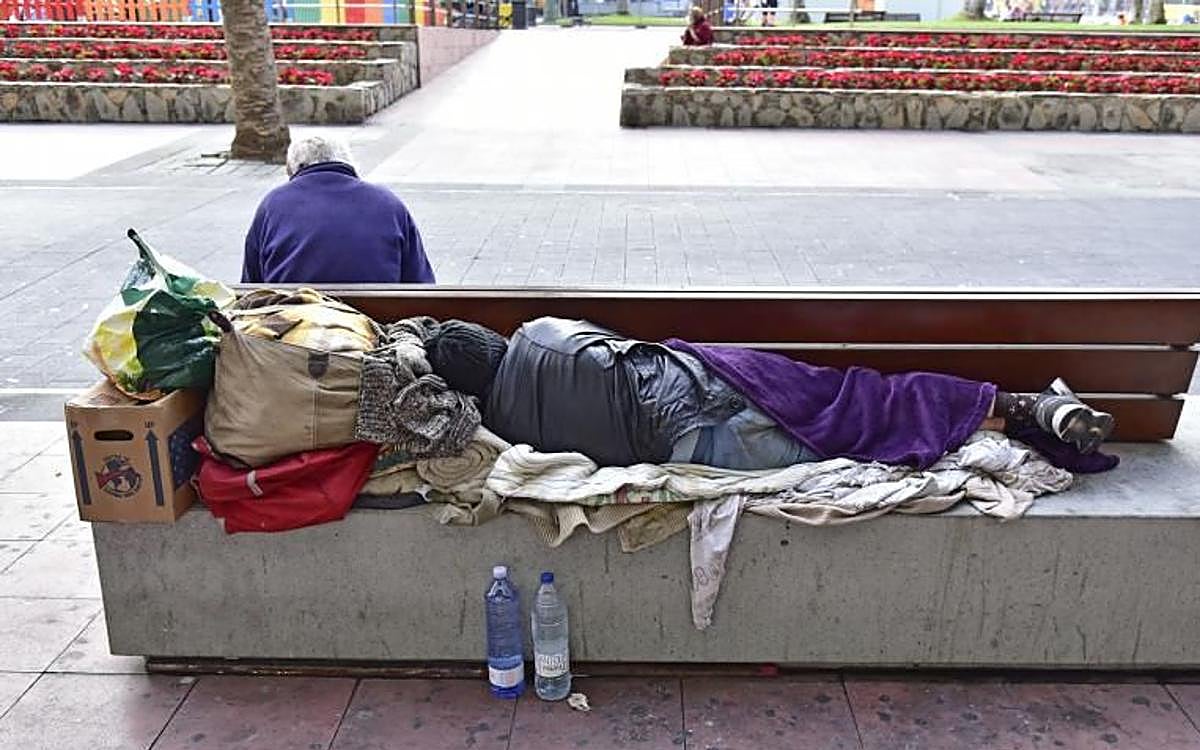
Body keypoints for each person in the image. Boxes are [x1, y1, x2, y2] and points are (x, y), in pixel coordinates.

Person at [424, 317, 1115, 472]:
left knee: (866, 441)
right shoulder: (541, 333)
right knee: (865, 399)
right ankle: (1027, 407)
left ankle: (1015, 419)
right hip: (712, 379)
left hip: (706, 447)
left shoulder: (508, 426)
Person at [241, 136, 435, 286]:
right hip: (376, 326)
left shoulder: (273, 204)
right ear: (349, 163)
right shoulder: (389, 203)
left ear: (293, 169)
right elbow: (421, 283)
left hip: (292, 327)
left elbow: (251, 285)